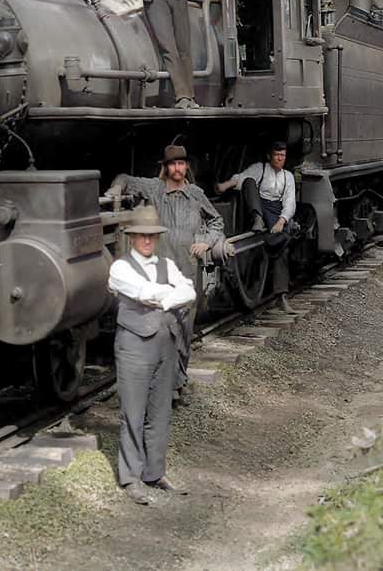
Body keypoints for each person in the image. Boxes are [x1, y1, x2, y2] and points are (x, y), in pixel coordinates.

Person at [106, 144, 232, 403]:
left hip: (186, 271)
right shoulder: (154, 189)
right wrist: (116, 188)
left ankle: (179, 381)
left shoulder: (196, 194)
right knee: (162, 329)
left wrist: (207, 241)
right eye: (173, 164)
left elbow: (216, 220)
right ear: (165, 167)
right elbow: (125, 179)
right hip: (160, 272)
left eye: (182, 164)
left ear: (186, 167)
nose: (178, 169)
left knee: (184, 330)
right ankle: (166, 387)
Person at [108, 204, 196, 504]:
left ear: (157, 238)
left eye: (152, 236)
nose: (147, 241)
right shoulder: (119, 268)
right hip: (134, 347)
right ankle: (131, 477)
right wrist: (169, 295)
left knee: (160, 412)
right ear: (132, 237)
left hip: (164, 346)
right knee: (133, 413)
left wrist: (166, 298)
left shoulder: (167, 264)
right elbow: (141, 292)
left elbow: (189, 291)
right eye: (142, 236)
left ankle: (154, 472)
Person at [215, 141, 297, 306]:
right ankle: (257, 219)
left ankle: (281, 294)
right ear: (270, 156)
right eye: (277, 155)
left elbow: (290, 202)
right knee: (249, 182)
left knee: (282, 243)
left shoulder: (288, 176)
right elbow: (242, 178)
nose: (280, 159)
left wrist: (282, 220)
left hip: (276, 210)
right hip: (258, 205)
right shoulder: (261, 168)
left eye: (283, 156)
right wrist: (225, 185)